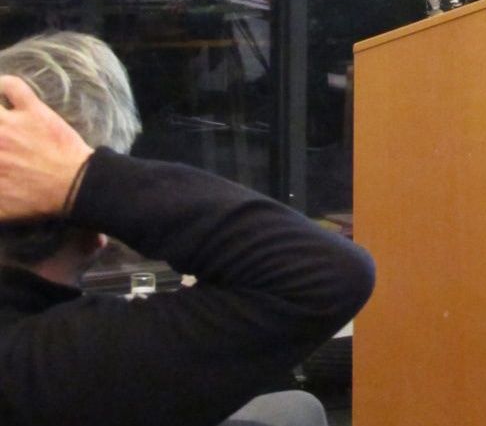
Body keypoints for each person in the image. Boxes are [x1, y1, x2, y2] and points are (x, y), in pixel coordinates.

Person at [0, 32, 375, 426]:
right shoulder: (54, 366)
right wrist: (84, 180)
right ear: (96, 231)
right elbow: (328, 273)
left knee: (292, 409)